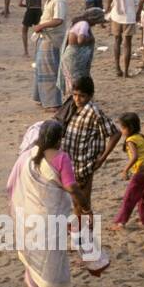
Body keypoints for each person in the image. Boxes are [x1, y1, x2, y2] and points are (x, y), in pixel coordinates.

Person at [6, 120, 107, 287]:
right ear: (60, 139)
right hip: (51, 220)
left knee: (35, 260)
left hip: (29, 218)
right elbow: (72, 188)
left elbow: (11, 184)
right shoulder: (61, 158)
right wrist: (86, 207)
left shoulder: (28, 156)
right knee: (53, 269)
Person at [58, 76, 119, 225]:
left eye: (82, 96)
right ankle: (80, 232)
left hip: (84, 164)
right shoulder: (71, 107)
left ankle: (84, 235)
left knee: (83, 202)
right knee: (75, 201)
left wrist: (102, 158)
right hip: (69, 162)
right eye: (75, 94)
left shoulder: (94, 112)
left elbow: (115, 133)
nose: (78, 99)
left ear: (90, 95)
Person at [111, 113, 144, 230]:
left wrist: (125, 170)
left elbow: (134, 156)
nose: (121, 131)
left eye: (122, 128)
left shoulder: (130, 140)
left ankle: (120, 223)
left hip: (140, 174)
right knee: (142, 196)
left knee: (129, 198)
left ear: (129, 128)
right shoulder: (143, 137)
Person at [31, 0, 66, 111]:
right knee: (40, 68)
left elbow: (58, 20)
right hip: (44, 37)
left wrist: (42, 26)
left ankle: (53, 103)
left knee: (49, 71)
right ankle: (42, 98)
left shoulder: (59, 0)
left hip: (52, 39)